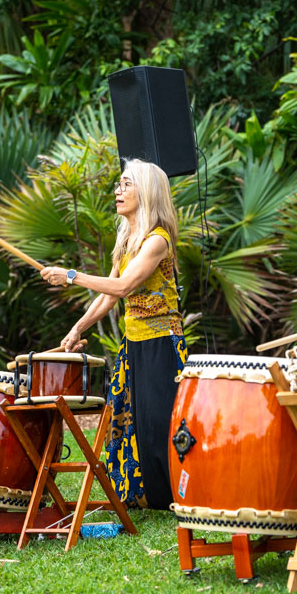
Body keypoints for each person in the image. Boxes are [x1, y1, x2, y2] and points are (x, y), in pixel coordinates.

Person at [40, 159, 187, 510]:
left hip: (162, 343)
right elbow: (108, 296)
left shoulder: (157, 240)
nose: (118, 191)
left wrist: (71, 276)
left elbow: (122, 286)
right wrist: (77, 328)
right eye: (118, 185)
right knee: (128, 419)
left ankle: (174, 493)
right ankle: (144, 495)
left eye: (126, 184)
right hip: (133, 341)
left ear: (146, 192)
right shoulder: (127, 242)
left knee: (159, 420)